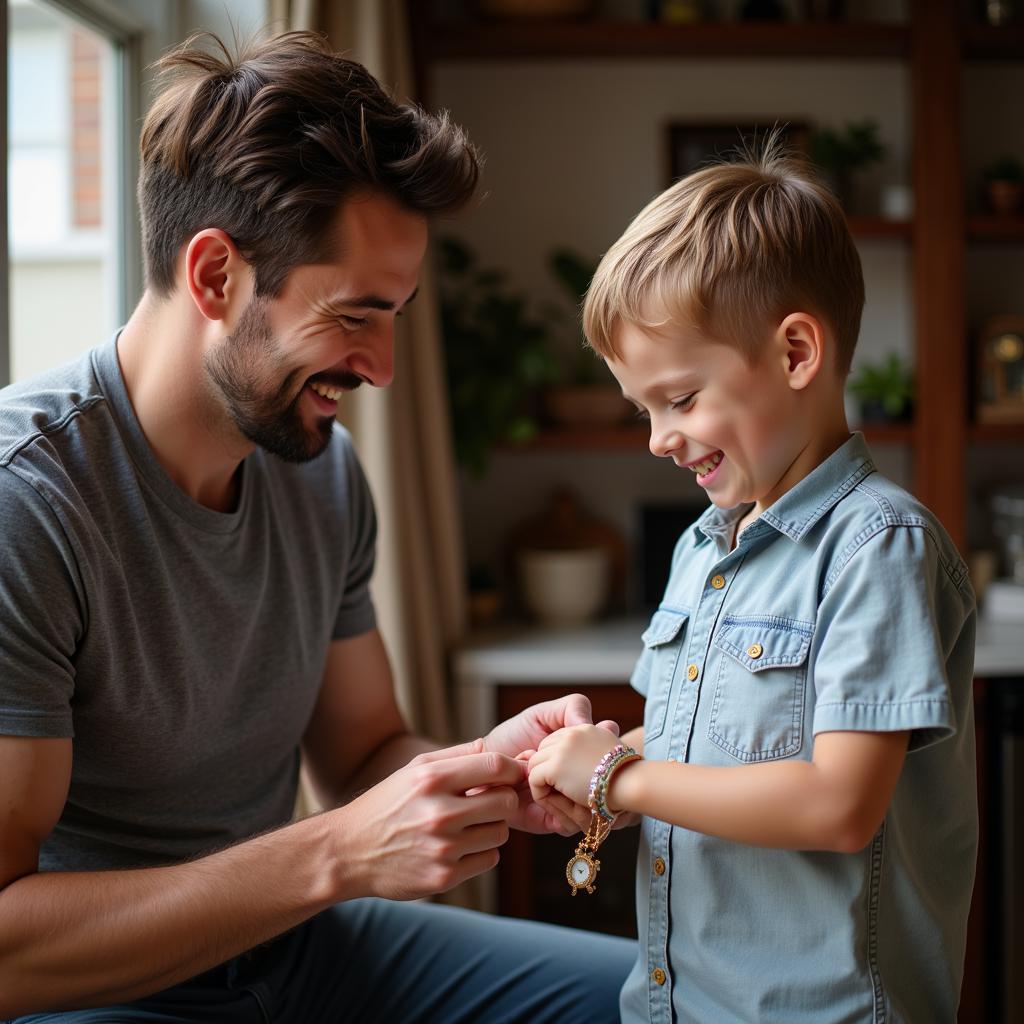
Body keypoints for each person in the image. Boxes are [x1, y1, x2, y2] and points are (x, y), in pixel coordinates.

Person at [0, 31, 634, 1023]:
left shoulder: (319, 471)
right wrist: (335, 852)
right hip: (96, 986)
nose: (381, 368)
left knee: (666, 1003)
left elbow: (363, 747)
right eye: (353, 317)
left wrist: (481, 775)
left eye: (395, 318)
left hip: (294, 948)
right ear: (215, 277)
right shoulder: (25, 505)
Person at [526, 139, 978, 1023]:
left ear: (797, 352)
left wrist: (620, 781)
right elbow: (707, 746)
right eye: (643, 409)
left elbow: (838, 803)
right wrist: (598, 762)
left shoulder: (877, 548)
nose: (658, 436)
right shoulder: (705, 546)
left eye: (681, 399)